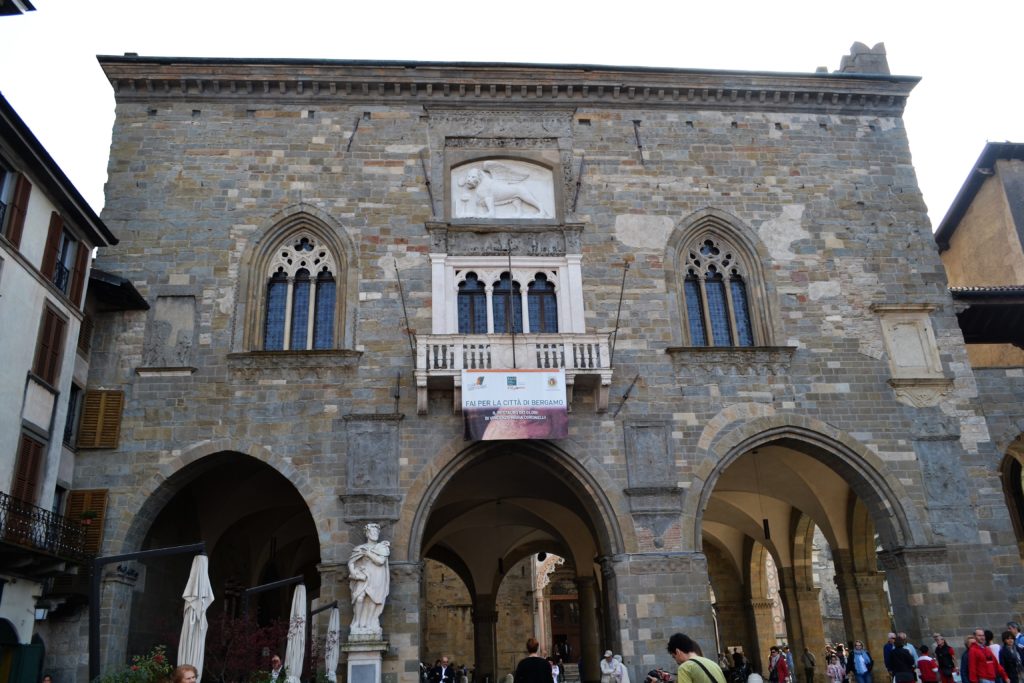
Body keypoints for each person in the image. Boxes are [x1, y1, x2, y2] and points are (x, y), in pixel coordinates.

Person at [348, 522, 391, 634]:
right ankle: (357, 621)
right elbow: (351, 562)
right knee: (359, 597)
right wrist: (354, 573)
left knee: (374, 599)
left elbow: (380, 561)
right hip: (364, 576)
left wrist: (368, 554)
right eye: (372, 531)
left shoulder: (382, 548)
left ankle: (370, 622)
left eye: (377, 531)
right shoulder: (359, 548)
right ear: (367, 533)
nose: (375, 533)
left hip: (377, 576)